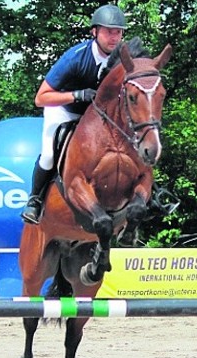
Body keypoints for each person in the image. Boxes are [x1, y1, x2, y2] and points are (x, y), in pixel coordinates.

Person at [20, 4, 126, 223]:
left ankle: (150, 192)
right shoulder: (76, 57)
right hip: (64, 110)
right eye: (108, 31)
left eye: (118, 32)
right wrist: (77, 95)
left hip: (99, 117)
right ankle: (35, 200)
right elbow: (41, 98)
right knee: (49, 154)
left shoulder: (123, 59)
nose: (114, 37)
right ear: (94, 32)